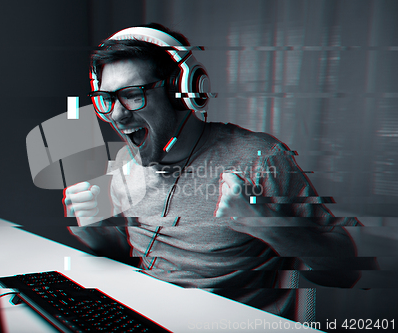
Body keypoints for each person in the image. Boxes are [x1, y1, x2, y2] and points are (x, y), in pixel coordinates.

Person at [63, 23, 376, 321]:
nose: (116, 114)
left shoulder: (260, 159)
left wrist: (267, 225)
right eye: (106, 98)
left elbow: (347, 272)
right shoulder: (124, 167)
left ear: (182, 91)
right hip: (149, 317)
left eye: (133, 94)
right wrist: (91, 227)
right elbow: (128, 256)